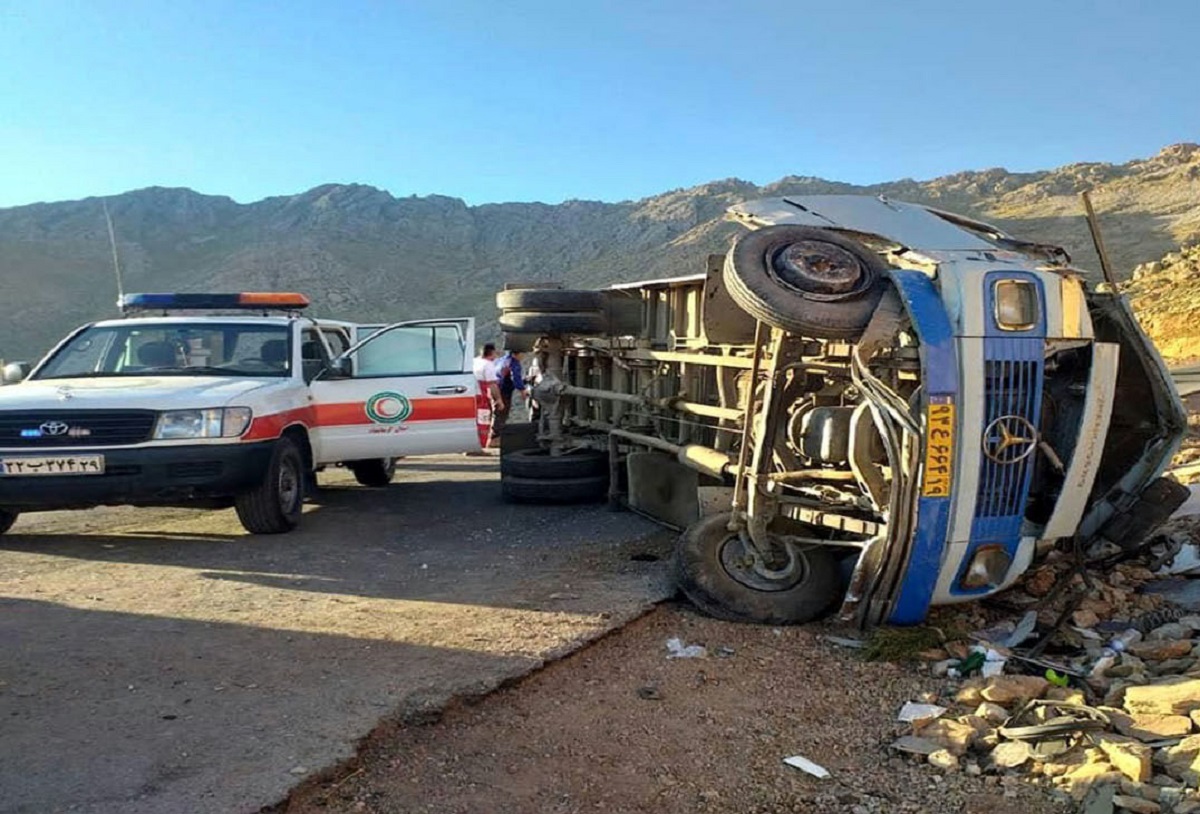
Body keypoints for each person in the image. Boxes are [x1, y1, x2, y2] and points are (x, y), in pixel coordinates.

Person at [473, 343, 504, 449]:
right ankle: (480, 446)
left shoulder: (474, 361)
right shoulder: (488, 365)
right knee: (483, 422)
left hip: (470, 396)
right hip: (481, 397)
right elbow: (492, 384)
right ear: (491, 353)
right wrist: (499, 399)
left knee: (473, 421)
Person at [495, 349, 527, 422]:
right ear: (518, 354)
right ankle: (497, 431)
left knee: (496, 412)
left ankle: (493, 430)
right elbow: (516, 377)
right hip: (503, 390)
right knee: (502, 412)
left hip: (494, 389)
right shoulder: (513, 362)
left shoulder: (501, 360)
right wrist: (522, 390)